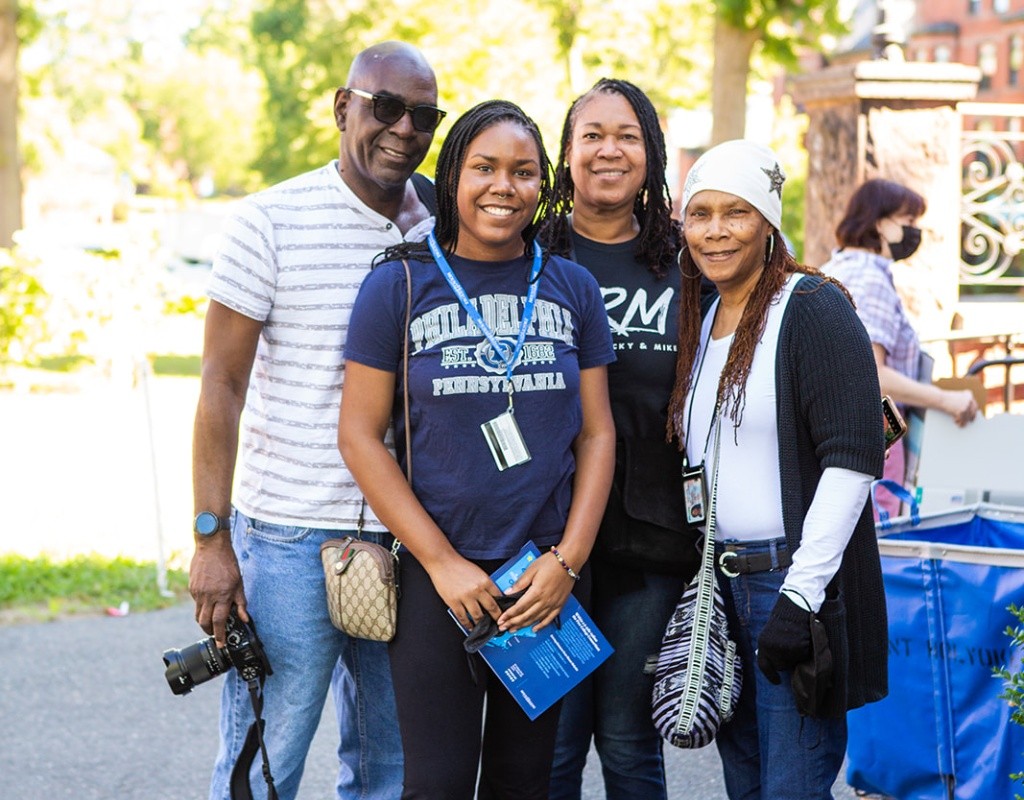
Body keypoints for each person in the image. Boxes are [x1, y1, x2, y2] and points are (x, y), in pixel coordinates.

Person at [337, 99, 616, 800]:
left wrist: (567, 564)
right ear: (453, 173)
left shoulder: (573, 286)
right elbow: (359, 435)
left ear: (543, 184)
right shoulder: (396, 284)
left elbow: (598, 433)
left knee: (526, 782)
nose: (504, 187)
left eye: (524, 172)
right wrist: (442, 564)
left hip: (540, 578)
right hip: (440, 580)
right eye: (485, 167)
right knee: (437, 782)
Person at [188, 41, 445, 800]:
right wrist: (210, 539)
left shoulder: (443, 228)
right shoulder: (270, 220)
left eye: (424, 116)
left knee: (390, 769)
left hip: (407, 541)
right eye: (386, 108)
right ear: (343, 108)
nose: (404, 129)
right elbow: (219, 387)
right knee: (266, 764)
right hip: (289, 543)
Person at [666, 139, 889, 799]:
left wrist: (798, 598)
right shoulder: (707, 318)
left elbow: (852, 463)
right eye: (699, 213)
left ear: (768, 222)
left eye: (734, 212)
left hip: (790, 589)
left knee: (791, 786)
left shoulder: (813, 307)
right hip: (723, 590)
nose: (714, 230)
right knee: (745, 785)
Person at [542, 78, 700, 800]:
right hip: (542, 541)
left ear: (652, 152)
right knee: (552, 743)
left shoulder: (687, 265)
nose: (610, 149)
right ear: (566, 153)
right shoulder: (529, 254)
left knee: (631, 740)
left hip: (652, 538)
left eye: (628, 135)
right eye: (592, 135)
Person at [821, 178, 979, 517]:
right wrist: (945, 399)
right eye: (908, 222)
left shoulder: (835, 269)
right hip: (877, 438)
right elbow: (872, 376)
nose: (914, 232)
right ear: (880, 223)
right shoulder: (870, 277)